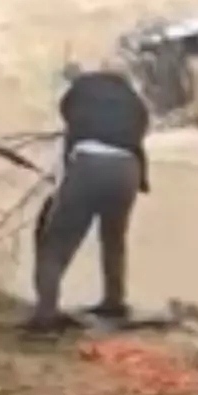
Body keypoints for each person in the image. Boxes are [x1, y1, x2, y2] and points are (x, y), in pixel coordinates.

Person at [28, 56, 150, 332]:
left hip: (89, 166)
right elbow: (136, 136)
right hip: (127, 170)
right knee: (114, 239)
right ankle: (114, 302)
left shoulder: (85, 86)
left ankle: (46, 312)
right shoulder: (137, 104)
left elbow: (66, 109)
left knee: (56, 242)